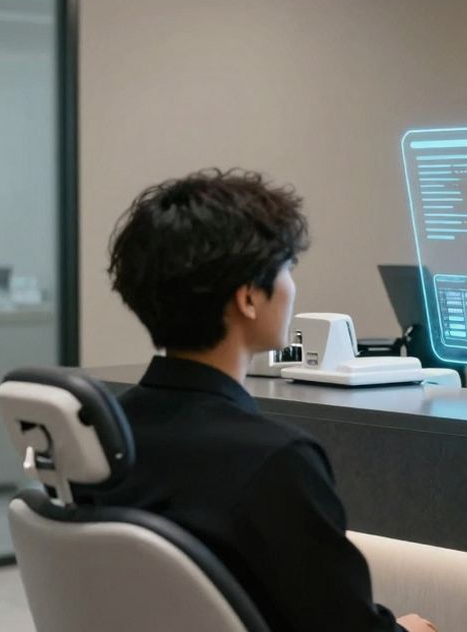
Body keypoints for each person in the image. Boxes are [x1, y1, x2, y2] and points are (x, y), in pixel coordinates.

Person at [96, 169, 436, 632]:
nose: (292, 287)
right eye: (286, 270)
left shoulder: (106, 439)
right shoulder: (276, 462)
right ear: (249, 299)